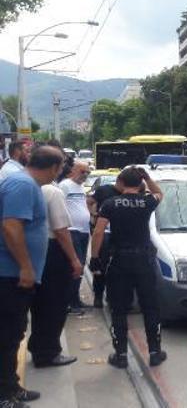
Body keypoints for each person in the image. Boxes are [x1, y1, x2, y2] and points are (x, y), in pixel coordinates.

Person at [0, 146, 64, 408]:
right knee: (7, 335)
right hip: (10, 274)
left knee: (14, 334)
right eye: (60, 168)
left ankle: (12, 386)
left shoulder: (28, 184)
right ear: (53, 167)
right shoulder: (23, 185)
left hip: (16, 274)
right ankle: (4, 396)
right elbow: (11, 226)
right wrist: (26, 267)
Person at [90, 166, 166, 369]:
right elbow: (159, 193)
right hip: (144, 261)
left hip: (120, 261)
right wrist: (148, 178)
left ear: (121, 183)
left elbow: (98, 232)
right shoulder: (147, 202)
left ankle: (121, 355)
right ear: (140, 183)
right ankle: (155, 352)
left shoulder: (110, 203)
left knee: (119, 309)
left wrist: (94, 258)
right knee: (150, 307)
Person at [28, 182, 83, 368]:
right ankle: (48, 352)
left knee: (41, 303)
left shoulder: (30, 187)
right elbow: (60, 229)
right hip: (54, 250)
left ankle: (38, 347)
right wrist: (74, 259)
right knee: (55, 304)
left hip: (38, 249)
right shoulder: (53, 191)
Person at [59, 161, 92, 313]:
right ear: (74, 170)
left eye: (87, 173)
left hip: (83, 231)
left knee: (81, 265)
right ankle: (69, 302)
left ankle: (75, 299)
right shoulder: (65, 185)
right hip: (72, 230)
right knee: (75, 266)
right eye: (82, 172)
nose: (85, 175)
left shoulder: (80, 187)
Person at [86, 178, 123, 308]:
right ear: (120, 181)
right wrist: (93, 214)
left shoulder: (131, 192)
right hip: (105, 232)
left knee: (117, 269)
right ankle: (98, 296)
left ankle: (113, 297)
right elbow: (89, 201)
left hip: (120, 234)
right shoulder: (104, 190)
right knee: (100, 266)